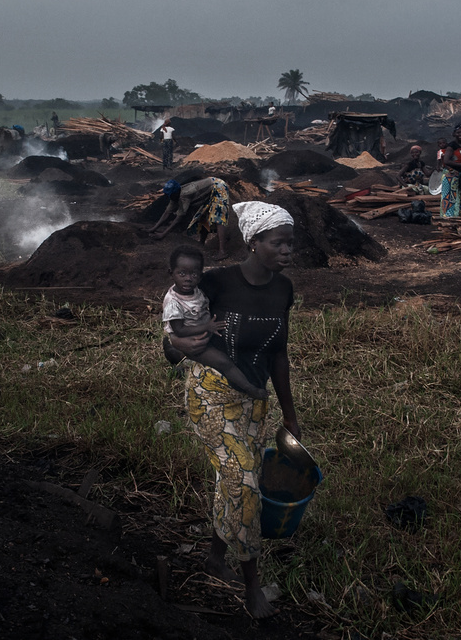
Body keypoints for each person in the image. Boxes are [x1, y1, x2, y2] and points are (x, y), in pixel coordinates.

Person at [169, 201, 300, 619]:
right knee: (244, 481)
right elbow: (174, 330)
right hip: (210, 392)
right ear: (254, 242)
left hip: (254, 400)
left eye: (289, 244)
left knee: (235, 480)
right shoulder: (215, 283)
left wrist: (290, 414)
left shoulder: (284, 289)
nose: (287, 251)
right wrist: (174, 345)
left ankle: (214, 556)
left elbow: (279, 353)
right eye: (278, 243)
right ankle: (252, 585)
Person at [162, 245, 269, 401]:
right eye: (182, 273)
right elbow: (179, 330)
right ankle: (250, 389)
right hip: (195, 341)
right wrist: (207, 327)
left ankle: (177, 356)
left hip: (206, 331)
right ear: (171, 273)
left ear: (200, 275)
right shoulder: (174, 302)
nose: (188, 278)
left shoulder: (196, 289)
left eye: (193, 274)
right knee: (224, 362)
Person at [148, 178, 232, 260]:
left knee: (218, 216)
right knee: (203, 215)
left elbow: (179, 218)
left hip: (218, 186)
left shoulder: (184, 195)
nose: (168, 196)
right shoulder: (175, 195)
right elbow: (167, 213)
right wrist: (153, 229)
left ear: (175, 193)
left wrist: (163, 234)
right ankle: (202, 243)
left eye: (170, 194)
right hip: (209, 190)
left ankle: (222, 252)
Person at [440, 124, 461, 218]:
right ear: (454, 134)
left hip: (460, 176)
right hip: (450, 175)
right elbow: (446, 161)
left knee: (460, 196)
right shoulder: (451, 146)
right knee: (450, 197)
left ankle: (457, 216)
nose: (460, 134)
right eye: (458, 132)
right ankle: (448, 218)